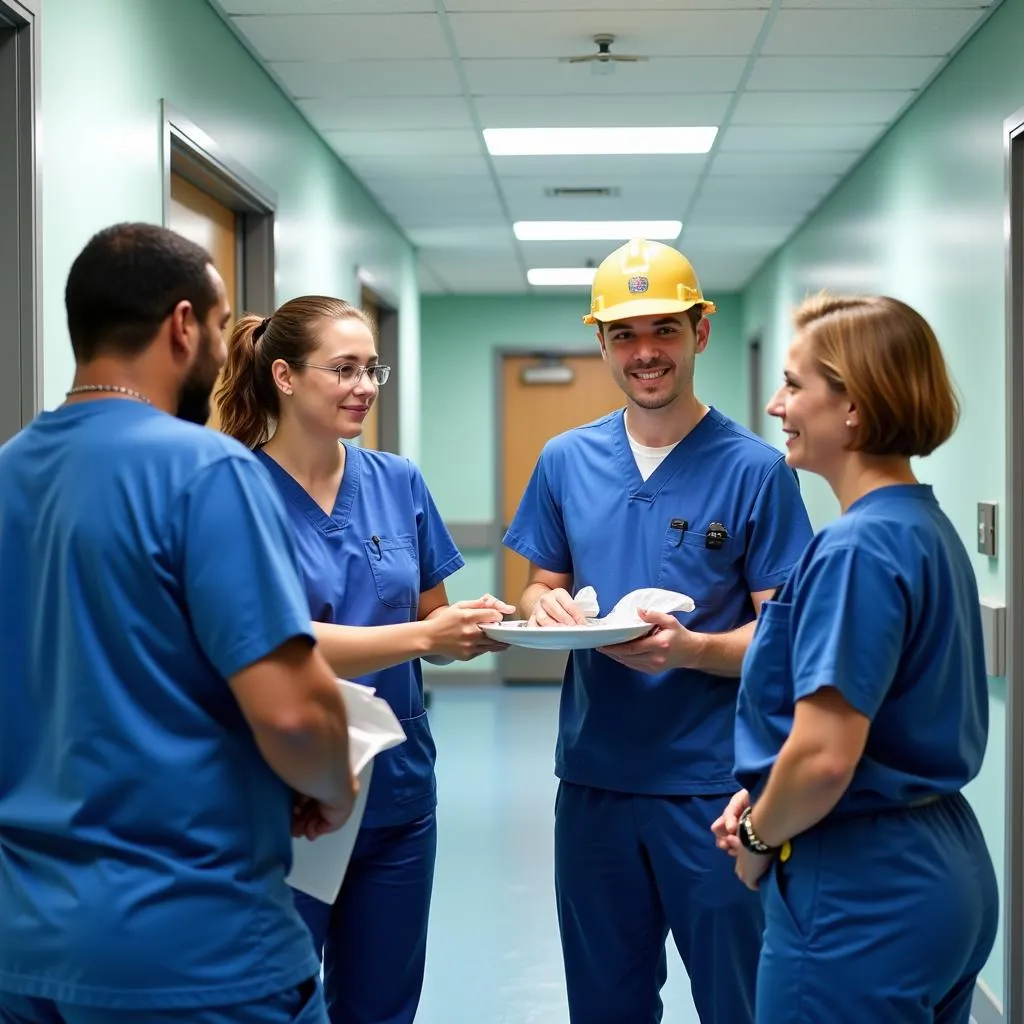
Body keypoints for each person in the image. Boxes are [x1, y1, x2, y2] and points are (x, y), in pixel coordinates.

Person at [0, 223, 359, 1024]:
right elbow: (296, 712)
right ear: (184, 325)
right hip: (193, 951)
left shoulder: (8, 472)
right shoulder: (207, 472)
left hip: (23, 945)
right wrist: (330, 785)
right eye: (223, 326)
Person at [502, 238, 814, 1024]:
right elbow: (541, 583)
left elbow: (784, 639)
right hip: (594, 783)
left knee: (737, 1001)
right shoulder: (566, 460)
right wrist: (545, 607)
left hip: (714, 793)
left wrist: (694, 650)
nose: (646, 354)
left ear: (700, 333)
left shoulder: (756, 471)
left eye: (664, 331)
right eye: (625, 335)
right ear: (601, 343)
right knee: (604, 1004)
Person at [216, 296, 512, 1024]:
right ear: (283, 376)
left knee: (383, 1005)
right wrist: (425, 639)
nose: (365, 385)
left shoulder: (397, 481)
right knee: (274, 1001)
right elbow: (273, 637)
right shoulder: (232, 490)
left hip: (399, 793)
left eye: (371, 368)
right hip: (283, 796)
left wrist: (475, 627)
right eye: (343, 369)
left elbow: (430, 621)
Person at [714, 292, 1000, 1022]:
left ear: (853, 408)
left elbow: (826, 759)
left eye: (794, 384)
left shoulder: (857, 548)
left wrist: (756, 836)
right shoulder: (920, 526)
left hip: (860, 886)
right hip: (944, 868)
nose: (776, 405)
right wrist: (771, 794)